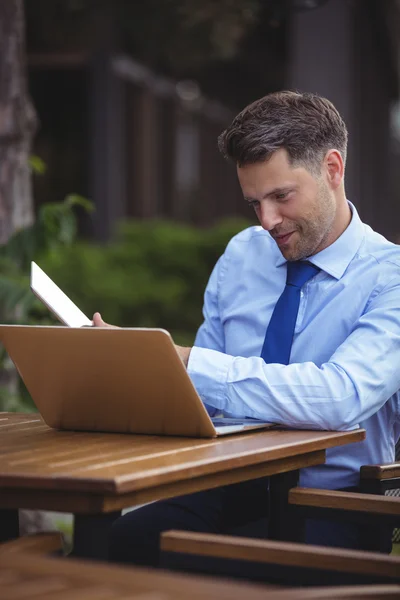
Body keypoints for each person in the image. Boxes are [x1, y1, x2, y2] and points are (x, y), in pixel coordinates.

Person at [93, 91, 400, 565]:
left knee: (195, 569)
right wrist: (137, 372)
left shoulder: (391, 278)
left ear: (333, 169)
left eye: (281, 196)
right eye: (254, 202)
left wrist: (186, 361)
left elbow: (342, 397)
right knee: (119, 542)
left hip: (330, 506)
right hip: (226, 489)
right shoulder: (242, 254)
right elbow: (204, 400)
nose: (267, 221)